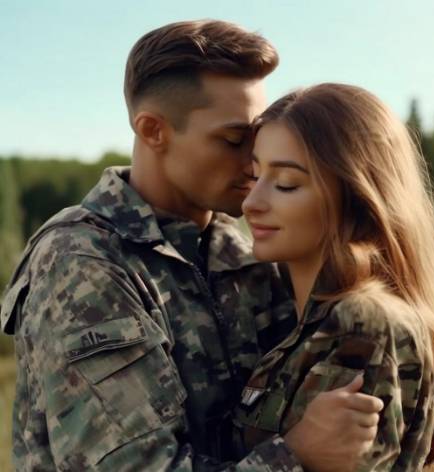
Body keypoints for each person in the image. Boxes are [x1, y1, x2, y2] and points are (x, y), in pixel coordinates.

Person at [0, 21, 383, 471]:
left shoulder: (243, 249)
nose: (254, 164)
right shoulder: (82, 262)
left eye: (257, 140)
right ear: (153, 130)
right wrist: (297, 456)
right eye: (234, 140)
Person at [233, 83, 434, 471]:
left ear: (356, 194)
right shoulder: (297, 315)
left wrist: (290, 453)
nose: (251, 203)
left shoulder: (363, 322)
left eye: (286, 183)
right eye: (254, 176)